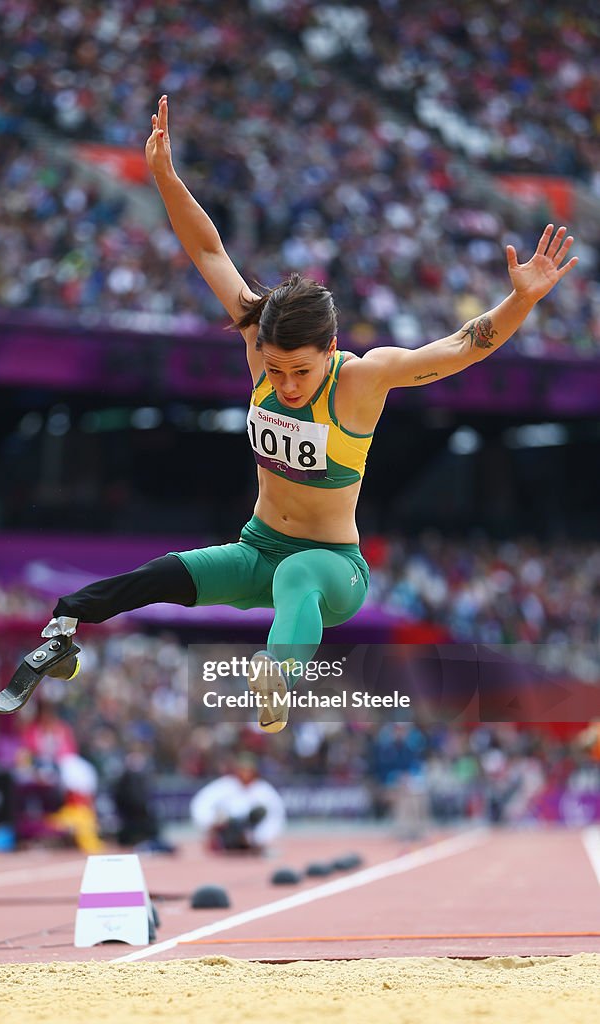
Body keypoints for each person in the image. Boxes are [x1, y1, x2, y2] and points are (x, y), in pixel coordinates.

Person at [40, 95, 579, 734]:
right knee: (167, 572)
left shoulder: (360, 380)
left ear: (330, 350)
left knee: (299, 572)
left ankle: (278, 681)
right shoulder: (256, 340)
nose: (287, 385)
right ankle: (64, 622)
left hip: (331, 571)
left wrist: (518, 304)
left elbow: (462, 346)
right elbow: (209, 252)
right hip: (258, 548)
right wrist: (164, 175)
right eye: (276, 369)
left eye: (302, 370)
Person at [190, 752, 286, 854]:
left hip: (251, 832)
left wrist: (257, 838)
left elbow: (276, 816)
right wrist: (211, 823)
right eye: (243, 769)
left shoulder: (264, 791)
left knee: (259, 812)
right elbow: (201, 805)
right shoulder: (225, 785)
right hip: (227, 830)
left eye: (248, 770)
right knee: (225, 819)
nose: (245, 773)